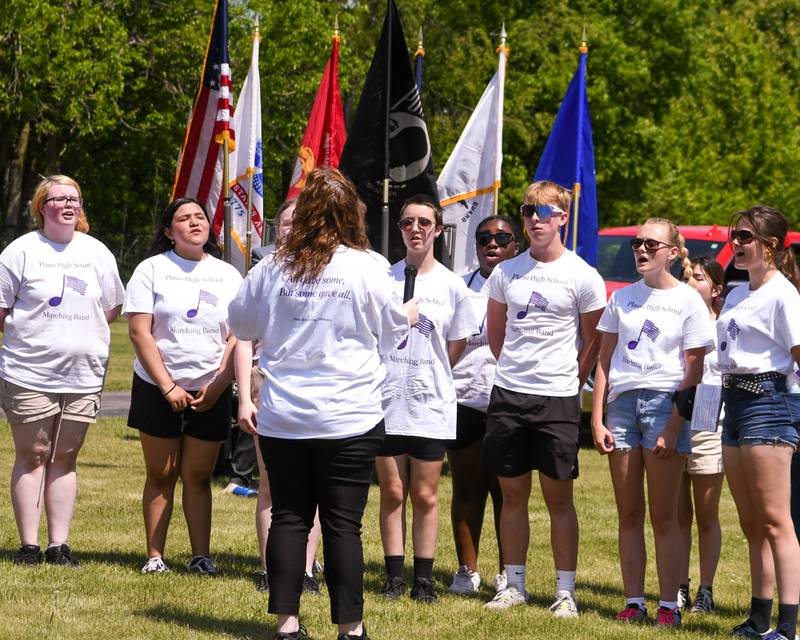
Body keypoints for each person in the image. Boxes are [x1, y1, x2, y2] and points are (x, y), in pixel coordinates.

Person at [229, 168, 416, 640]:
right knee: (342, 525)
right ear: (352, 212)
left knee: (290, 517)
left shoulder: (272, 266)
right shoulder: (367, 265)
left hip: (285, 415)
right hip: (349, 416)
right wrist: (407, 315)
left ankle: (287, 626)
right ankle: (351, 630)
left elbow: (241, 323)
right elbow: (393, 333)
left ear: (306, 211)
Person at [482, 180, 605, 616]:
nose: (535, 218)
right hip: (510, 394)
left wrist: (570, 378)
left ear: (563, 219)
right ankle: (514, 584)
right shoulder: (506, 272)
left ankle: (565, 592)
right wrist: (518, 370)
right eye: (529, 210)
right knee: (512, 496)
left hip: (557, 398)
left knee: (559, 499)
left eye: (545, 211)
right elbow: (497, 336)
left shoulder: (583, 275)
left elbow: (593, 343)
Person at [591, 217, 714, 628]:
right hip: (622, 407)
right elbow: (604, 360)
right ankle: (633, 601)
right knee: (628, 513)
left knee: (665, 516)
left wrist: (674, 426)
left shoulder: (689, 301)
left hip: (666, 406)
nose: (641, 250)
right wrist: (597, 417)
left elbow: (693, 370)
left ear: (673, 252)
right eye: (636, 243)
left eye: (651, 244)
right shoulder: (621, 298)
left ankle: (668, 605)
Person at [0, 174, 124, 567]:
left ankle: (59, 545)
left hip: (83, 374)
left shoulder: (97, 253)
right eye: (60, 199)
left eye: (75, 198)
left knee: (66, 456)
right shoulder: (20, 252)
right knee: (34, 453)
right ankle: (28, 546)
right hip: (29, 373)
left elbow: (111, 307)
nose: (69, 205)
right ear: (42, 206)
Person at [125, 197, 242, 575]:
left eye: (200, 217)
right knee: (161, 473)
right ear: (168, 231)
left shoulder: (229, 275)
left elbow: (238, 335)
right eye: (184, 218)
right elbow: (139, 331)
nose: (195, 222)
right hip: (157, 387)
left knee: (197, 476)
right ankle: (155, 556)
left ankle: (201, 556)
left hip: (210, 390)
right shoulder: (152, 270)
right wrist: (167, 386)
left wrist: (221, 384)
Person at [377, 194, 478, 604]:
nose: (415, 229)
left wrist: (430, 370)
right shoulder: (383, 277)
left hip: (430, 403)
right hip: (385, 399)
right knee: (393, 493)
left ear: (437, 229)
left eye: (423, 222)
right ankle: (393, 576)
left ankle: (424, 578)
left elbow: (457, 345)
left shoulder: (453, 286)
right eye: (406, 223)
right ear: (399, 229)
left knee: (425, 494)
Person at [717, 206, 800, 640]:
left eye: (746, 236)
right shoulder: (735, 293)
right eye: (736, 235)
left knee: (775, 520)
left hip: (769, 403)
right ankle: (758, 617)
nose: (737, 243)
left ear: (771, 245)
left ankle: (787, 627)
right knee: (751, 521)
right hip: (734, 402)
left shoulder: (784, 295)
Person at [446, 216, 522, 595]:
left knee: (505, 491)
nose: (492, 243)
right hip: (464, 398)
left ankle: (509, 571)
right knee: (466, 487)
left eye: (502, 237)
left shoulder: (526, 285)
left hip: (509, 397)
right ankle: (466, 570)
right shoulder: (459, 287)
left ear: (516, 245)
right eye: (484, 238)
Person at [676, 257, 725, 614]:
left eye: (699, 278)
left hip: (709, 416)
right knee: (676, 514)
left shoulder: (722, 326)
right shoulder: (674, 320)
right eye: (687, 277)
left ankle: (705, 591)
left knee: (706, 514)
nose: (691, 282)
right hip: (674, 418)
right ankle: (678, 586)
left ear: (716, 290)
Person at [250, 199, 296, 267]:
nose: (293, 228)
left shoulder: (316, 257)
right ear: (277, 230)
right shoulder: (262, 256)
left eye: (298, 223)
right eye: (287, 224)